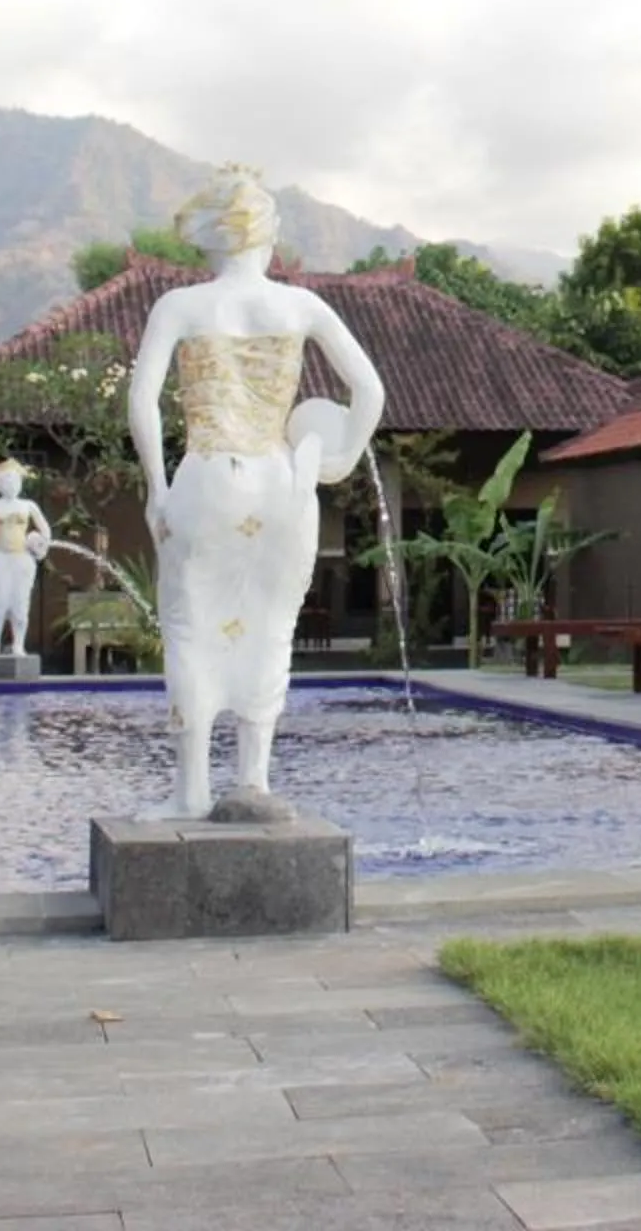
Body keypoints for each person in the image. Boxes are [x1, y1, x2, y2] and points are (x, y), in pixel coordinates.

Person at [126, 166, 386, 818]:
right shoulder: (300, 306)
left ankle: (191, 793)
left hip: (208, 476)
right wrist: (340, 455)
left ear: (212, 241)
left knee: (190, 627)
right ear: (266, 242)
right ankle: (254, 783)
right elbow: (370, 391)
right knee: (271, 629)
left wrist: (157, 487)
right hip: (283, 482)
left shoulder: (180, 307)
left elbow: (143, 402)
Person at [0, 457, 54, 659]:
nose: (11, 484)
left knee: (21, 603)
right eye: (6, 480)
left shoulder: (28, 506)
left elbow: (45, 530)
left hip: (23, 559)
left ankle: (18, 645)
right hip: (1, 558)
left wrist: (40, 545)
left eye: (14, 479)